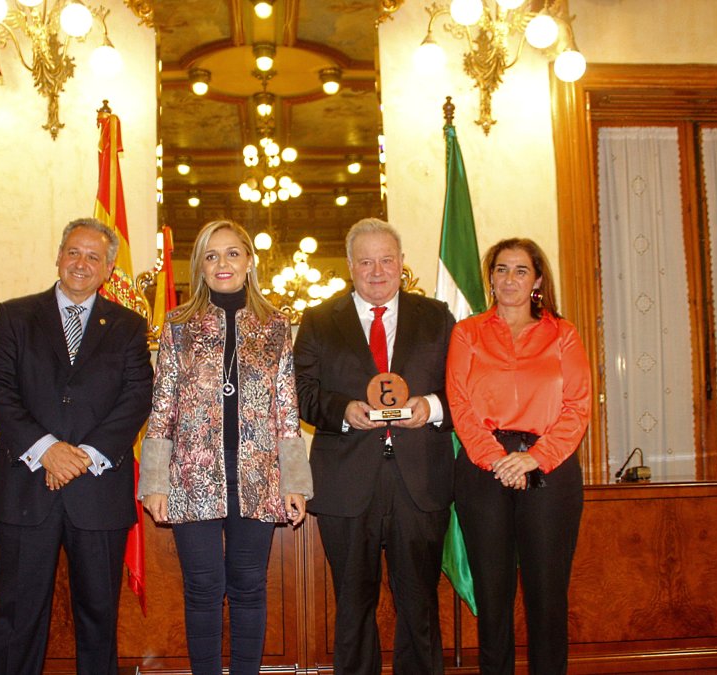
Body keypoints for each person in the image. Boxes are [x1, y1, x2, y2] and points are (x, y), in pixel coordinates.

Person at [0, 217, 154, 675]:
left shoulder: (129, 327)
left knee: (98, 619)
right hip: (26, 489)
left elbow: (137, 398)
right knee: (15, 616)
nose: (81, 263)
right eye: (73, 252)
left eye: (94, 256)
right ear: (58, 256)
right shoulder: (16, 315)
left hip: (97, 491)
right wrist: (46, 450)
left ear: (110, 267)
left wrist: (83, 458)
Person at [139, 219, 313, 675]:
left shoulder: (275, 326)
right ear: (199, 265)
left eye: (233, 253)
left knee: (249, 587)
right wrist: (154, 482)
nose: (223, 264)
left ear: (249, 262)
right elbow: (162, 410)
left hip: (257, 477)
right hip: (192, 476)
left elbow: (287, 412)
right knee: (201, 587)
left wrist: (296, 482)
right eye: (211, 255)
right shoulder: (177, 326)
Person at [293, 218, 457, 675]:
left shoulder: (437, 316)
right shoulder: (320, 320)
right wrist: (342, 410)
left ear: (402, 263)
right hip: (346, 484)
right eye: (366, 261)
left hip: (420, 483)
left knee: (420, 606)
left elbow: (465, 389)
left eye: (387, 259)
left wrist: (434, 406)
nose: (378, 271)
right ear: (350, 266)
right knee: (352, 608)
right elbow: (300, 392)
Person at [445, 237, 592, 674]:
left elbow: (578, 405)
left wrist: (535, 457)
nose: (510, 278)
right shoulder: (467, 332)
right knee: (493, 596)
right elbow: (459, 402)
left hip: (549, 467)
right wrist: (495, 458)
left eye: (521, 270)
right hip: (481, 469)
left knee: (547, 595)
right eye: (502, 269)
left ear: (538, 280)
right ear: (490, 277)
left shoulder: (563, 334)